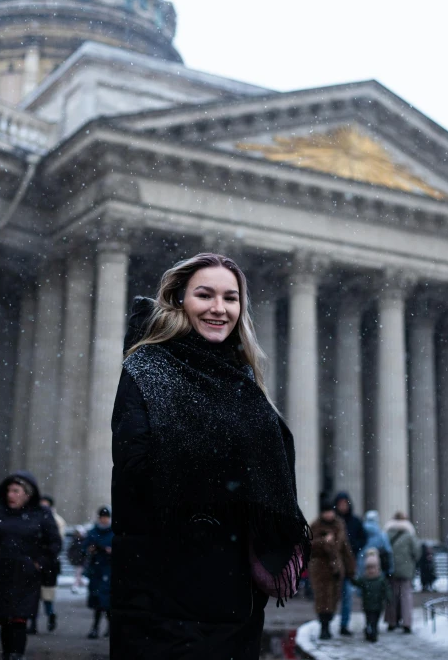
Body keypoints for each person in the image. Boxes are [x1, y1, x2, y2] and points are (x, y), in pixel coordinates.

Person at [111, 253, 311, 660]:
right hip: (162, 589)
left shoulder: (241, 380)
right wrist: (232, 472)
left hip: (234, 593)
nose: (219, 308)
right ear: (179, 298)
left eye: (231, 298)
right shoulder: (147, 369)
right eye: (205, 295)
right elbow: (135, 473)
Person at [0, 471, 61, 660]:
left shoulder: (41, 515)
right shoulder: (0, 514)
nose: (10, 495)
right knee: (5, 619)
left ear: (27, 493)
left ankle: (16, 655)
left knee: (18, 619)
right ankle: (8, 654)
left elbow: (54, 543)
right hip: (0, 575)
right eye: (8, 491)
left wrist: (39, 564)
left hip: (25, 577)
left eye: (15, 491)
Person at [309, 496, 356, 640]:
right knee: (322, 599)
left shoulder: (339, 525)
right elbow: (309, 547)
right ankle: (324, 628)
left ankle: (328, 624)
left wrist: (350, 568)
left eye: (331, 511)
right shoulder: (315, 526)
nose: (329, 514)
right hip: (320, 570)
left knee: (333, 599)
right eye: (326, 512)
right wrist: (324, 542)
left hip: (335, 569)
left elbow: (345, 548)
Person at [27, 495, 67, 634]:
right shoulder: (34, 518)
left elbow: (56, 543)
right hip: (37, 562)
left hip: (49, 564)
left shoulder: (56, 521)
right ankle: (33, 623)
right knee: (33, 596)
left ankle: (50, 616)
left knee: (47, 595)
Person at [334, 491, 367, 636]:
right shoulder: (332, 521)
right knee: (330, 596)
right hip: (333, 563)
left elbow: (363, 538)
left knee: (347, 595)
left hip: (349, 563)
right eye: (340, 504)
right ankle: (326, 623)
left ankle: (343, 624)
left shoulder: (355, 521)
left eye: (345, 504)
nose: (343, 507)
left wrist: (354, 547)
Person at [384, 512, 421, 633]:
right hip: (406, 569)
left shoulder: (387, 533)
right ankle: (406, 622)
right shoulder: (409, 535)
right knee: (405, 596)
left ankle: (392, 622)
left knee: (392, 596)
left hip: (391, 569)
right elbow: (417, 551)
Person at [83, 506, 113, 639]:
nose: (104, 520)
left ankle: (107, 627)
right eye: (102, 517)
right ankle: (95, 627)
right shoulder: (93, 532)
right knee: (97, 601)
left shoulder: (112, 533)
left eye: (106, 517)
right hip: (96, 570)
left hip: (108, 570)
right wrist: (91, 549)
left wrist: (108, 551)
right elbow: (84, 548)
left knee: (106, 601)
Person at [353, 549, 391, 642]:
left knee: (375, 620)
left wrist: (388, 598)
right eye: (368, 568)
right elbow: (357, 583)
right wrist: (352, 577)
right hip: (367, 605)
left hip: (378, 605)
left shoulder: (381, 580)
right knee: (369, 620)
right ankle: (370, 632)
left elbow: (386, 590)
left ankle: (371, 631)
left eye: (373, 568)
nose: (371, 570)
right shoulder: (364, 579)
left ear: (377, 568)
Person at [357, 510, 393, 578]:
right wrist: (390, 570)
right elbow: (388, 552)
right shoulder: (382, 535)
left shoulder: (361, 533)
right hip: (378, 568)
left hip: (362, 566)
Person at [68, 525, 87, 593]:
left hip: (81, 560)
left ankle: (76, 586)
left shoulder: (83, 541)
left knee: (78, 574)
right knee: (78, 574)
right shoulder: (75, 541)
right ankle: (78, 585)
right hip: (77, 560)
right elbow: (70, 551)